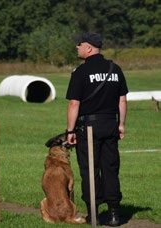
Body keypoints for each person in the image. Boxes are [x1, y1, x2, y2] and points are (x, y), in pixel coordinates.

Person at [65, 31, 128, 226]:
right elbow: (122, 99)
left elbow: (74, 104)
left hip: (88, 128)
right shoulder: (115, 69)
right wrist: (121, 124)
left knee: (89, 170)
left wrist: (70, 131)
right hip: (110, 124)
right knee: (110, 169)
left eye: (79, 44)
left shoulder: (80, 72)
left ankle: (94, 214)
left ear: (89, 48)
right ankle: (115, 214)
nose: (77, 47)